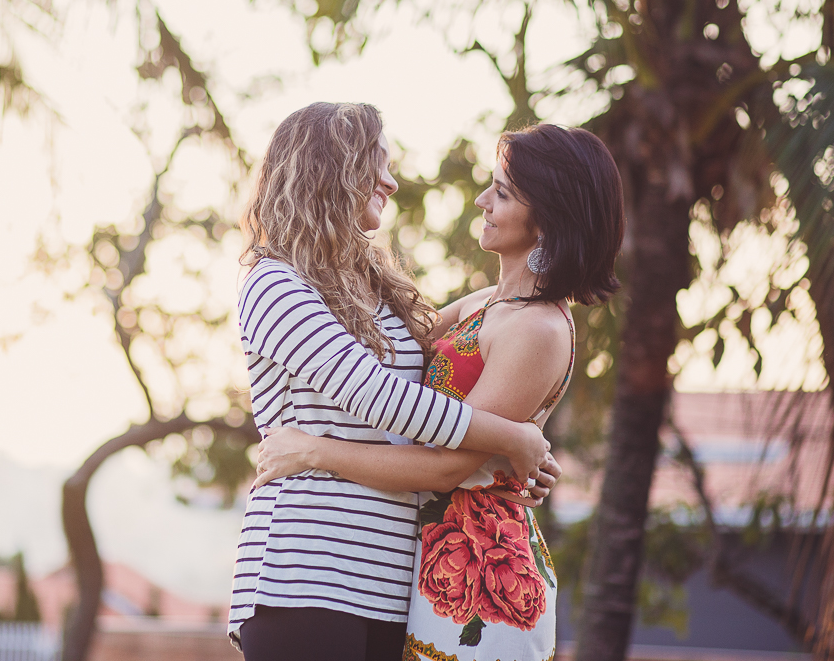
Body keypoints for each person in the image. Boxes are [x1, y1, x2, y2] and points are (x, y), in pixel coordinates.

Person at [253, 122, 626, 661]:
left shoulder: (537, 329)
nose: (481, 200)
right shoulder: (487, 304)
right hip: (424, 560)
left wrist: (315, 450)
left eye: (501, 192)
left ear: (547, 220)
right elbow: (382, 367)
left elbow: (447, 466)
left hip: (479, 575)